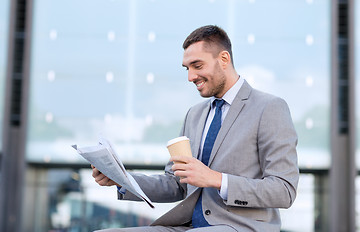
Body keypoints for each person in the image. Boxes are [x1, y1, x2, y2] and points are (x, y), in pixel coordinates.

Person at [92, 25, 299, 232]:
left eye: (197, 65)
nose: (190, 76)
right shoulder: (195, 114)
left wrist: (216, 179)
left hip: (241, 227)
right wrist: (122, 180)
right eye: (187, 68)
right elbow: (176, 184)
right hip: (190, 226)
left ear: (224, 59)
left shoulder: (269, 108)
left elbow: (284, 190)